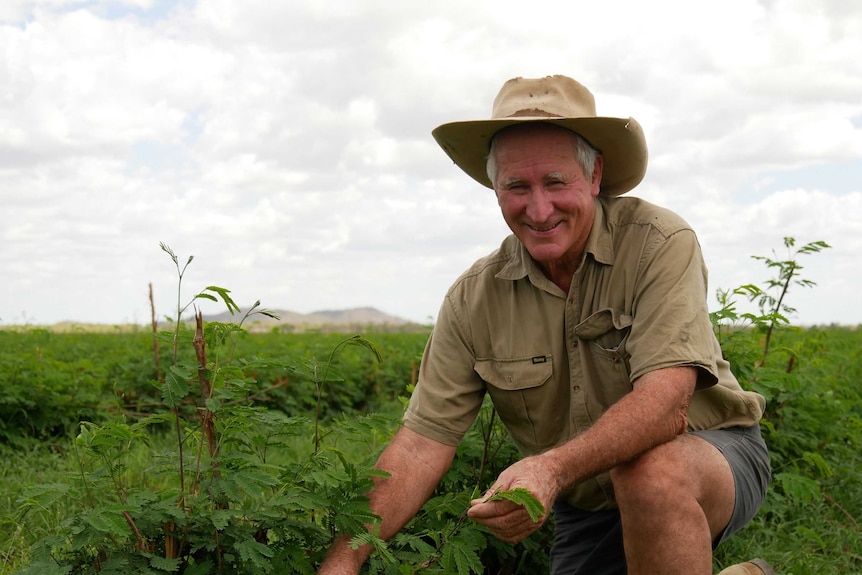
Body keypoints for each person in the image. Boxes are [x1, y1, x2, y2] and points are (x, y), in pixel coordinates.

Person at [317, 75, 773, 575]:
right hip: (587, 499)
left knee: (651, 474)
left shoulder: (658, 243)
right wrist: (343, 561)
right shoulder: (474, 297)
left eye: (556, 182)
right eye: (517, 186)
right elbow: (422, 444)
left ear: (594, 176)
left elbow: (667, 405)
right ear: (496, 189)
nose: (538, 210)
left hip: (710, 457)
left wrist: (549, 469)